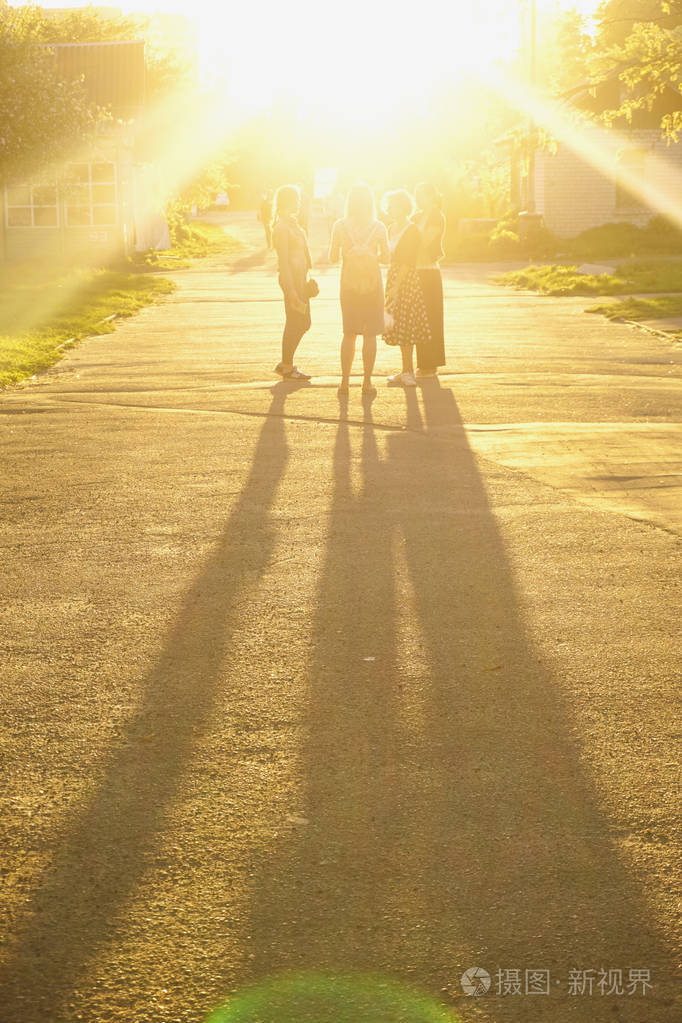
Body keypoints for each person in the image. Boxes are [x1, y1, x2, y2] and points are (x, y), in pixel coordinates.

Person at [329, 183, 389, 395]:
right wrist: (370, 254)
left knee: (349, 333)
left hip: (348, 285)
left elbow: (332, 257)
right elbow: (387, 258)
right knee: (370, 334)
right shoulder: (379, 227)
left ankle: (345, 382)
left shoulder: (339, 226)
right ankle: (367, 382)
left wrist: (349, 252)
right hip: (373, 286)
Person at [382, 190, 431, 387]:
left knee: (407, 324)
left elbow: (408, 261)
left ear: (403, 207)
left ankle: (408, 371)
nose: (388, 209)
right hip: (393, 275)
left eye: (392, 206)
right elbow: (389, 256)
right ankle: (405, 370)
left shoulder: (411, 230)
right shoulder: (391, 228)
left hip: (407, 278)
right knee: (399, 324)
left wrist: (396, 286)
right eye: (388, 206)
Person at [272, 184, 313, 381]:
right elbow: (284, 262)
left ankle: (285, 364)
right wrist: (291, 290)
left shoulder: (293, 225)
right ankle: (286, 365)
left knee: (303, 322)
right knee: (297, 322)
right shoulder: (281, 228)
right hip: (291, 280)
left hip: (300, 280)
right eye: (296, 199)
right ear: (287, 201)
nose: (299, 203)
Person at [413, 182, 446, 377]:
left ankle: (431, 365)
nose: (418, 198)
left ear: (432, 196)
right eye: (416, 195)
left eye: (421, 195)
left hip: (430, 272)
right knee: (418, 319)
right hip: (414, 270)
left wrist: (407, 237)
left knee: (432, 317)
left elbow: (425, 241)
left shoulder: (437, 217)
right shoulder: (416, 217)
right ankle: (422, 364)